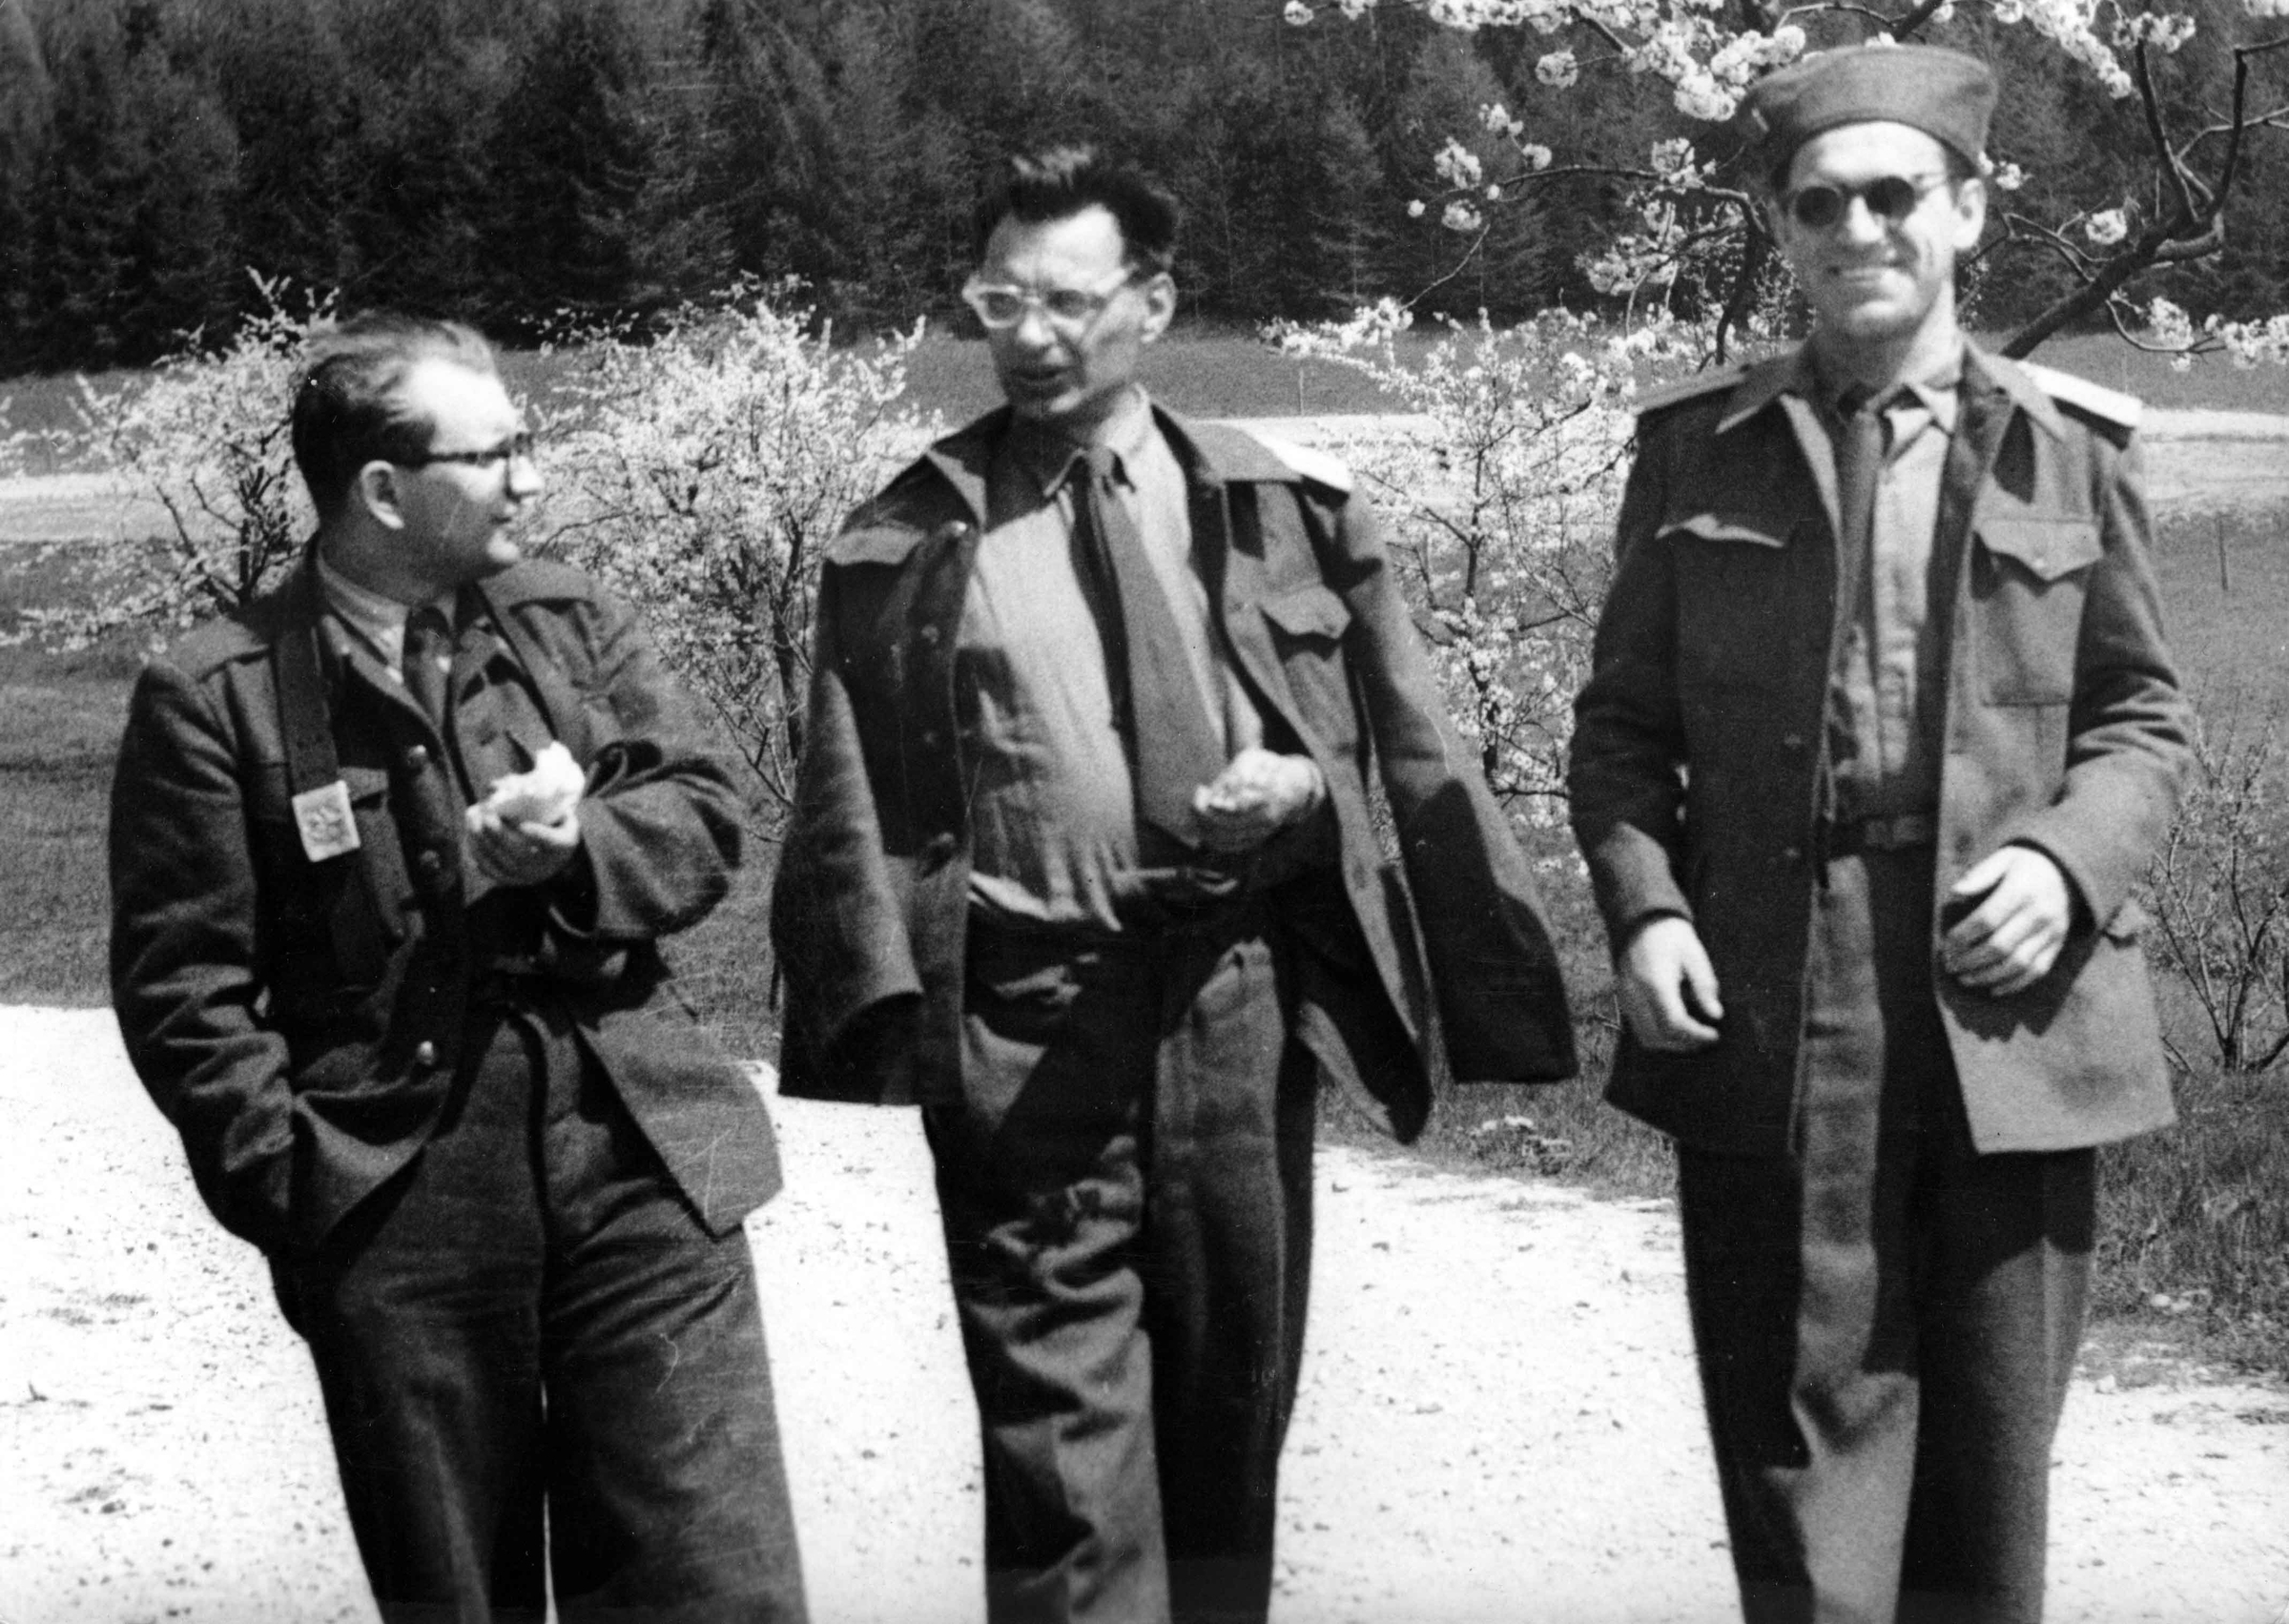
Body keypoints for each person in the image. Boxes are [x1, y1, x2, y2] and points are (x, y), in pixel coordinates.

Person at [771, 146, 1575, 1624]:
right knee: (1062, 1479)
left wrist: (1304, 795)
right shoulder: (906, 536)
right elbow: (847, 798)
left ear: (1151, 303)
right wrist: (878, 1010)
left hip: (1232, 1008)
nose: (1029, 335)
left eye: (1068, 302)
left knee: (1227, 1440)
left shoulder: (1281, 509)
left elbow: (1402, 749)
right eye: (999, 301)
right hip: (1023, 1026)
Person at [1568, 44, 2193, 1624]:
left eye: (1895, 194)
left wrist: (2066, 863)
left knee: (1990, 1469)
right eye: (1819, 203)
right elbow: (1623, 730)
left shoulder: (2071, 447)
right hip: (1779, 983)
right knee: (1798, 1464)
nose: (1859, 229)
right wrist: (1647, 909)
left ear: (1967, 209)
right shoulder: (1697, 449)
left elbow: (2141, 719)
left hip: (2012, 1000)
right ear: (1783, 230)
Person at [109, 313, 808, 1622]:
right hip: (398, 1203)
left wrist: (579, 852)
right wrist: (308, 1195)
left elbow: (705, 813)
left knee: (717, 1584)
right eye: (496, 455)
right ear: (384, 490)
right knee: (458, 1597)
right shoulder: (219, 694)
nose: (531, 479)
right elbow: (182, 990)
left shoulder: (568, 622)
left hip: (646, 1158)